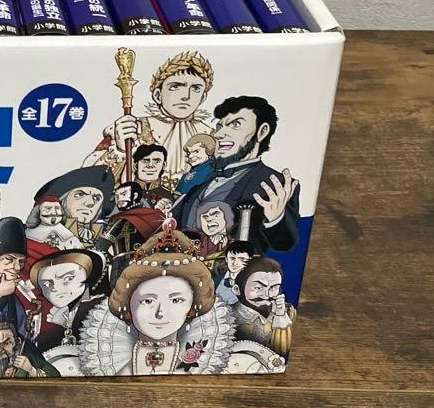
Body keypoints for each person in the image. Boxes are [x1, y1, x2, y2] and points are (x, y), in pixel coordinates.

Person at [77, 224, 235, 376]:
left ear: (192, 306)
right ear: (128, 304)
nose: (160, 313)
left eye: (176, 300)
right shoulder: (112, 362)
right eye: (147, 301)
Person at [173, 95, 301, 255]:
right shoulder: (199, 185)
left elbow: (285, 245)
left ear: (262, 132)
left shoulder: (277, 185)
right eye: (219, 127)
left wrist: (276, 219)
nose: (219, 134)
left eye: (236, 124)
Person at [85, 51, 215, 185]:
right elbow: (90, 181)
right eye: (175, 86)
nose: (186, 96)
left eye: (195, 88)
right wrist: (120, 151)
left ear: (203, 97)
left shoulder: (212, 136)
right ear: (158, 95)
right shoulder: (133, 128)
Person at [26, 250, 106, 353]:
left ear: (88, 275)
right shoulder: (55, 321)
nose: (55, 288)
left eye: (68, 278)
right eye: (47, 284)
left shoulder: (102, 310)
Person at [232, 256, 295, 357]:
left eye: (274, 288)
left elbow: (284, 353)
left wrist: (280, 315)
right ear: (237, 289)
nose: (267, 295)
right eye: (258, 288)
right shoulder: (227, 317)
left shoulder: (288, 312)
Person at [192, 201, 234, 265]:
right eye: (205, 217)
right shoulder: (193, 241)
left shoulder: (234, 243)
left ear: (226, 217)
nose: (209, 219)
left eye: (215, 215)